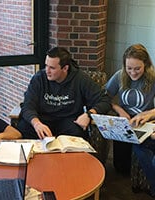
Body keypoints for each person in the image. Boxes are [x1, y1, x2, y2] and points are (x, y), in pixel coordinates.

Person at [17, 47, 112, 140]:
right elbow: (28, 106)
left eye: (52, 68)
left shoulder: (80, 79)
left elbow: (105, 100)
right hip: (43, 120)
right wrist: (36, 124)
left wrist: (89, 114)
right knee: (24, 127)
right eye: (46, 65)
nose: (47, 71)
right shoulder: (39, 78)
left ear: (65, 68)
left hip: (68, 122)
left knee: (78, 133)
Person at [105, 44, 155, 194]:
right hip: (125, 121)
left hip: (145, 122)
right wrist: (119, 109)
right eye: (129, 68)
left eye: (137, 69)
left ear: (146, 65)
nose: (133, 73)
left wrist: (148, 114)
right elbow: (104, 96)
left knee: (140, 146)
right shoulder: (120, 75)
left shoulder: (152, 78)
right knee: (121, 168)